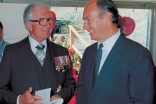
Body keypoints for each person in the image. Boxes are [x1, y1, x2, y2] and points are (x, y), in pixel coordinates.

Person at [76, 0, 155, 104]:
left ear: (107, 17)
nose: (84, 27)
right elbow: (82, 90)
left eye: (88, 20)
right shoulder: (89, 52)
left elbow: (141, 100)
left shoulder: (138, 54)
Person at [0, 3, 75, 104]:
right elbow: (1, 89)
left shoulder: (61, 52)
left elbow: (69, 82)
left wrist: (60, 96)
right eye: (42, 21)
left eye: (49, 20)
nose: (48, 25)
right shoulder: (12, 52)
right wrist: (19, 100)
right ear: (29, 25)